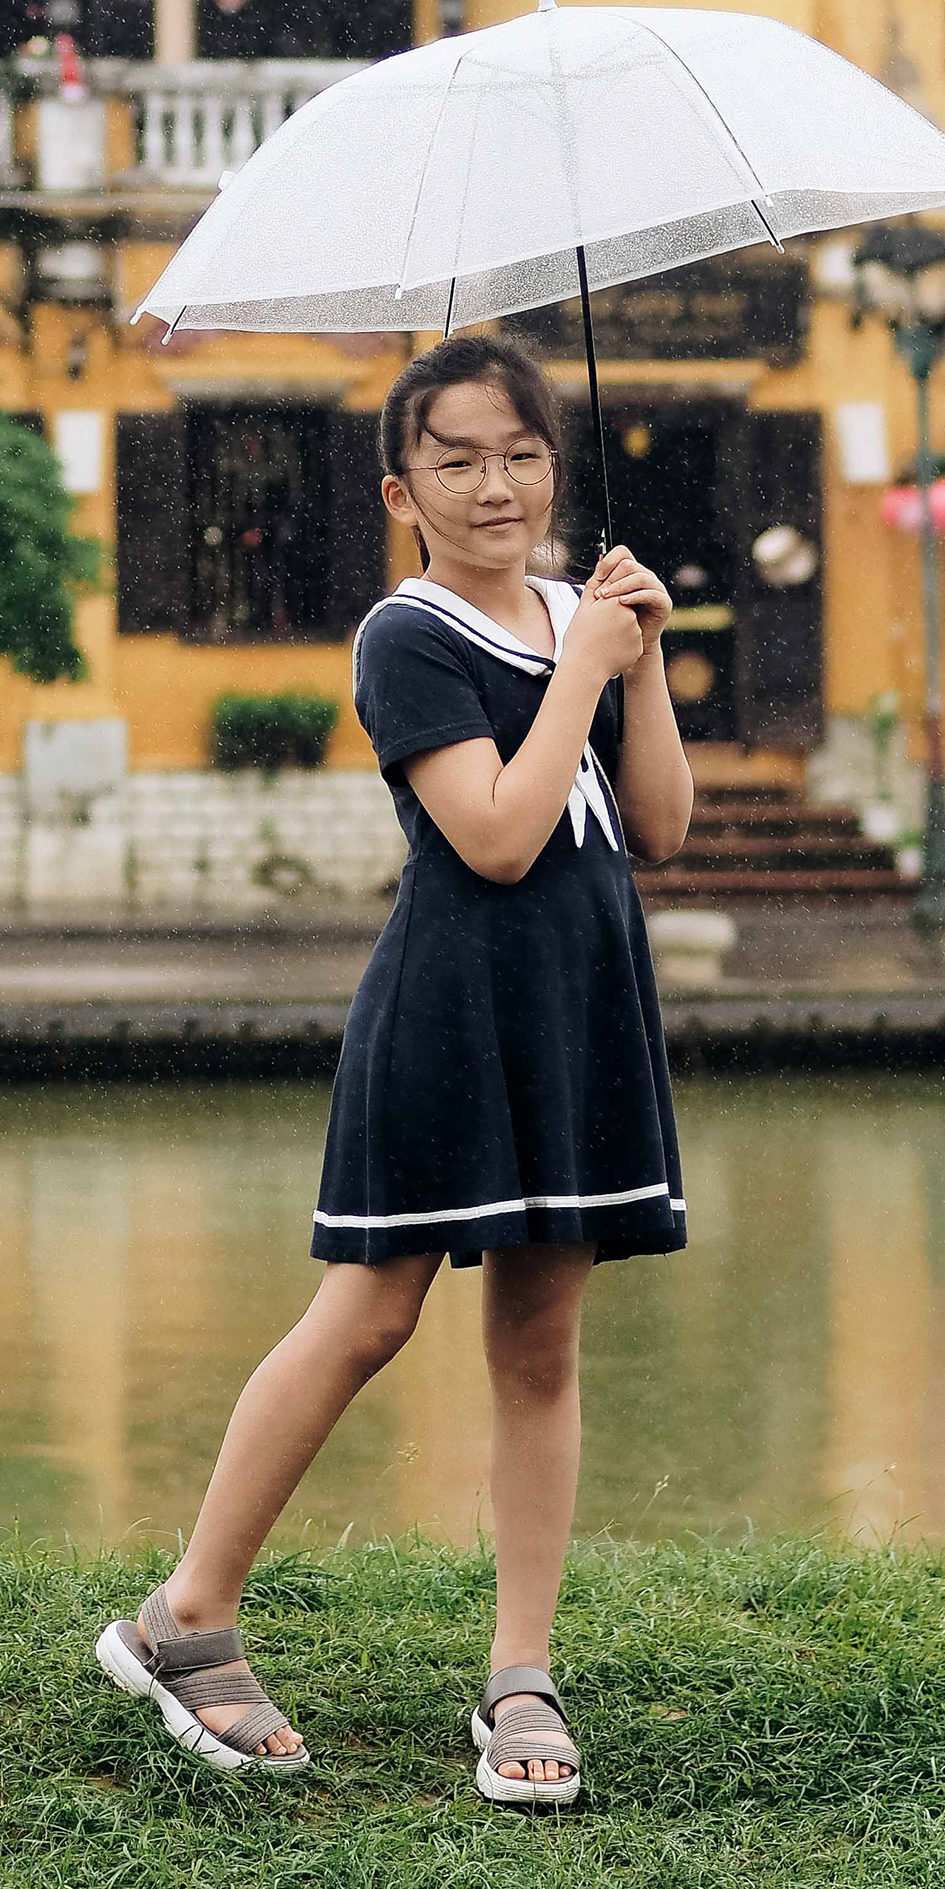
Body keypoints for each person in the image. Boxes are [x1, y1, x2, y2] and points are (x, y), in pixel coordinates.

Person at [97, 332, 693, 1809]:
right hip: (448, 1014)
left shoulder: (582, 612)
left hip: (581, 1012)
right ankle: (185, 1619)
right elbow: (494, 833)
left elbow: (662, 827)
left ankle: (520, 1673)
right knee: (368, 1317)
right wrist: (582, 672)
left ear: (556, 463)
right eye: (457, 460)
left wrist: (648, 654)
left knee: (542, 1344)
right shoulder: (406, 634)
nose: (497, 486)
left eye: (522, 454)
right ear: (401, 487)